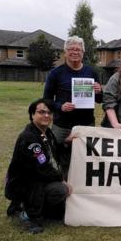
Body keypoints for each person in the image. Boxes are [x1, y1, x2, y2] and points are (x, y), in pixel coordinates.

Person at [4, 98, 72, 234]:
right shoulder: (29, 138)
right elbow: (41, 169)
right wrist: (62, 179)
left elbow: (56, 151)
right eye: (41, 112)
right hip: (25, 183)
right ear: (32, 115)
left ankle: (39, 208)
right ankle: (28, 212)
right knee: (60, 190)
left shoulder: (46, 132)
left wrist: (67, 142)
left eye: (49, 113)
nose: (46, 115)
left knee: (60, 206)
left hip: (39, 179)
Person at [43, 36, 102, 177]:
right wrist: (60, 107)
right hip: (62, 125)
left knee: (86, 158)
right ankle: (60, 186)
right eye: (71, 49)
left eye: (78, 49)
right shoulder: (56, 73)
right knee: (59, 157)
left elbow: (99, 100)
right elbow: (46, 100)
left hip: (86, 124)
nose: (75, 52)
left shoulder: (91, 72)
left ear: (83, 52)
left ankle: (82, 188)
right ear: (65, 52)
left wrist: (99, 91)